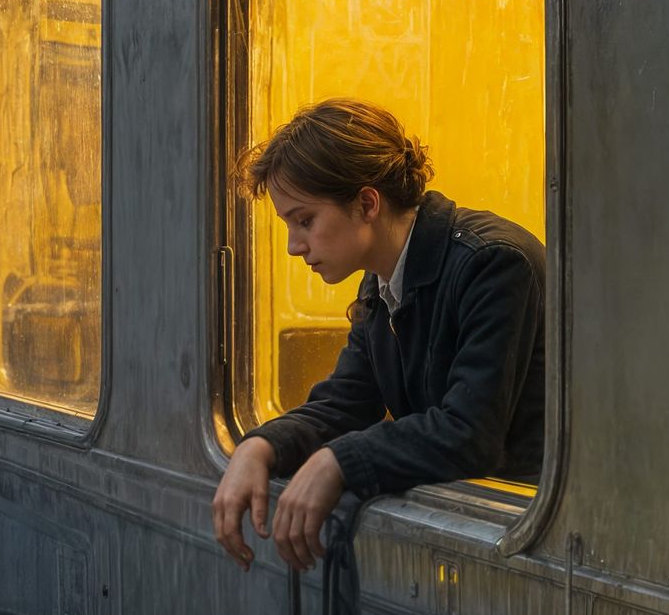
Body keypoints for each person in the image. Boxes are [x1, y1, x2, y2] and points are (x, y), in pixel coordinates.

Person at [212, 99, 545, 575]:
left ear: (367, 203)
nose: (294, 246)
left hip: (524, 540)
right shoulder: (381, 282)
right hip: (478, 537)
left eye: (304, 220)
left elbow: (470, 434)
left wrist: (338, 462)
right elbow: (347, 402)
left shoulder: (492, 264)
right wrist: (259, 447)